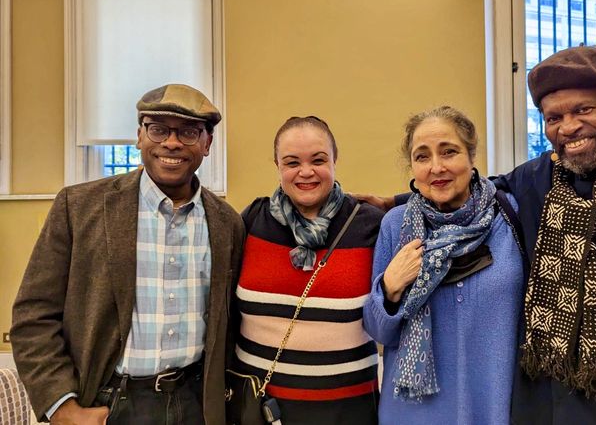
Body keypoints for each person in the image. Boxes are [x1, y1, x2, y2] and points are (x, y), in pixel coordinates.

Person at [358, 45, 596, 424]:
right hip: (559, 406)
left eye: (583, 109)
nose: (568, 127)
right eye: (553, 117)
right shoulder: (538, 183)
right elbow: (468, 189)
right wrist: (390, 203)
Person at [11, 84, 244, 425]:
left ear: (207, 143)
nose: (172, 142)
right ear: (139, 135)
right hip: (108, 404)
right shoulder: (78, 207)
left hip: (197, 405)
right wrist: (62, 407)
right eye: (158, 129)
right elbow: (33, 316)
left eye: (189, 132)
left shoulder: (227, 223)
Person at [362, 106, 525, 424]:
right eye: (422, 157)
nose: (436, 167)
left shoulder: (509, 216)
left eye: (449, 152)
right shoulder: (396, 226)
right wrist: (390, 288)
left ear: (471, 156)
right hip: (415, 413)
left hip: (494, 406)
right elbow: (378, 331)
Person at [229, 116, 384, 425]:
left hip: (349, 410)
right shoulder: (252, 222)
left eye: (318, 160)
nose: (306, 172)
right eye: (292, 162)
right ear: (277, 165)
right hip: (259, 408)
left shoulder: (369, 224)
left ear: (335, 160)